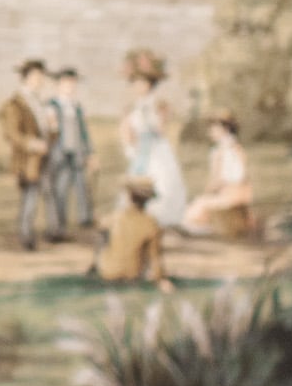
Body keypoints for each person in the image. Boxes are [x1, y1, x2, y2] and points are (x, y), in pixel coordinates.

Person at [119, 50, 187, 230]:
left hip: (157, 148)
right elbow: (127, 131)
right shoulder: (131, 108)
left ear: (152, 84)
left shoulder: (159, 105)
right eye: (136, 82)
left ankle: (161, 218)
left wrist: (155, 117)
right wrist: (131, 145)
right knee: (136, 183)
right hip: (140, 149)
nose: (140, 86)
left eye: (144, 82)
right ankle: (139, 217)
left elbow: (162, 129)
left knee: (162, 181)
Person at [0, 59, 53, 250]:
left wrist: (52, 130)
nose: (40, 81)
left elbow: (46, 131)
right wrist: (32, 143)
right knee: (30, 196)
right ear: (27, 77)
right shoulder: (14, 104)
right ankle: (26, 235)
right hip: (27, 159)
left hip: (43, 157)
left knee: (46, 194)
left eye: (41, 77)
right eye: (37, 77)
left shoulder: (39, 102)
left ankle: (50, 232)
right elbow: (12, 134)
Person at [96, 178, 174, 290]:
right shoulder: (151, 224)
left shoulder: (112, 218)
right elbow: (155, 259)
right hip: (133, 276)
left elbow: (100, 237)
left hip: (108, 273)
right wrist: (161, 280)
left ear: (129, 196)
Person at [185, 114, 254, 238]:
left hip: (233, 193)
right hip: (233, 191)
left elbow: (233, 177)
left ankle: (208, 228)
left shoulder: (226, 150)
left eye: (213, 129)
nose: (210, 132)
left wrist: (212, 189)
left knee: (197, 207)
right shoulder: (227, 148)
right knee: (199, 204)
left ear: (225, 129)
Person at [47, 67, 95, 236]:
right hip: (60, 153)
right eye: (66, 83)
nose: (70, 87)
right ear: (58, 84)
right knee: (61, 189)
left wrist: (90, 152)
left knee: (82, 186)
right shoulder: (52, 106)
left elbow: (83, 132)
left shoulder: (77, 107)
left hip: (77, 152)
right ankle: (60, 224)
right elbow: (50, 131)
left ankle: (85, 219)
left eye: (73, 83)